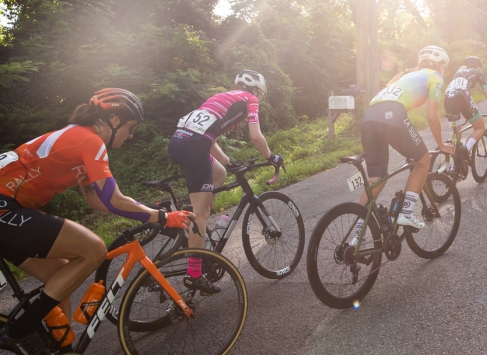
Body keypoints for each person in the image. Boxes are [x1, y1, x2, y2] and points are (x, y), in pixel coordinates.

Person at [0, 88, 193, 353]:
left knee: (61, 275)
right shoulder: (89, 140)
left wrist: (149, 210)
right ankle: (18, 332)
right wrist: (163, 217)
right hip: (5, 207)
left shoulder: (76, 139)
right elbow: (113, 199)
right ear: (114, 120)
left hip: (9, 209)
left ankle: (59, 348)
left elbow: (97, 200)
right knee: (94, 249)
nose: (131, 134)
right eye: (131, 126)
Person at [168, 70, 283, 291]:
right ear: (256, 91)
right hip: (195, 146)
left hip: (178, 142)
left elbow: (208, 139)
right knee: (199, 213)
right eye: (259, 93)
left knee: (219, 173)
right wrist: (271, 157)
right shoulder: (249, 99)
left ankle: (201, 222)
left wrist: (229, 161)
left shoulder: (220, 97)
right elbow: (256, 136)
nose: (258, 97)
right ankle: (194, 274)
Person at [353, 46, 454, 242]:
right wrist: (441, 145)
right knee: (423, 161)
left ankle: (357, 237)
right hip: (391, 115)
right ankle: (405, 214)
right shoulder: (435, 76)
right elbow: (432, 116)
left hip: (369, 117)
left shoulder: (406, 75)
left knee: (376, 179)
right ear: (440, 65)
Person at [444, 56, 487, 159]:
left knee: (456, 137)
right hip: (463, 98)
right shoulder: (478, 72)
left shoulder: (458, 71)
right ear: (477, 65)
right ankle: (466, 150)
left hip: (448, 99)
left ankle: (454, 167)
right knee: (480, 127)